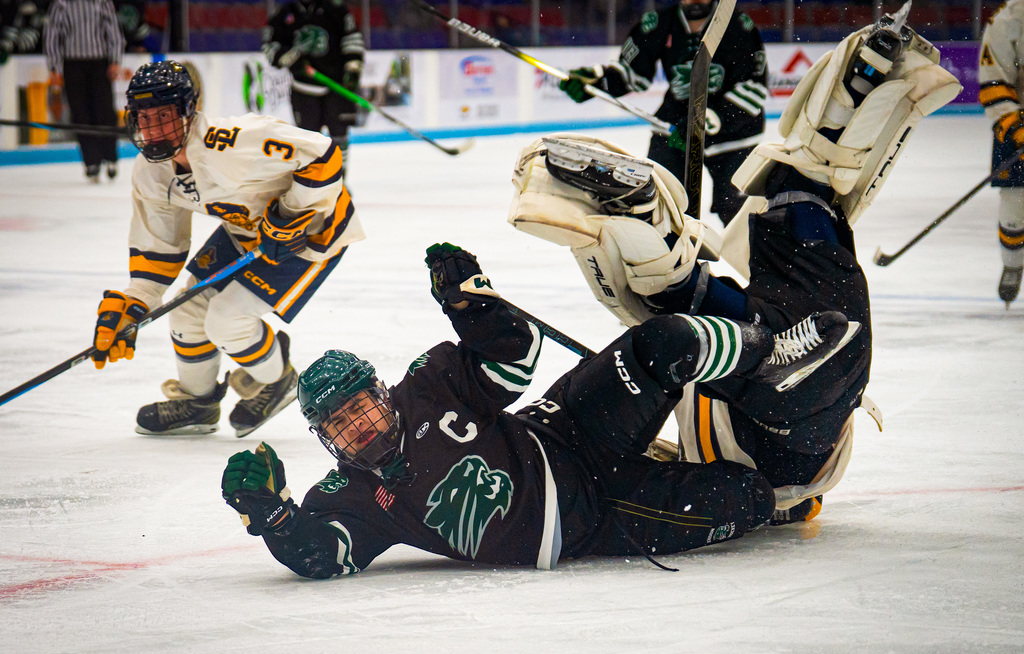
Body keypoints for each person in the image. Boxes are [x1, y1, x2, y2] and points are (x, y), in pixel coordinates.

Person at [516, 15, 959, 522]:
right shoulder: (746, 478)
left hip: (812, 362)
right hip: (786, 402)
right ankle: (649, 233)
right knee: (680, 304)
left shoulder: (782, 465)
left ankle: (860, 88)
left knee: (800, 197)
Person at [220, 240, 860, 578]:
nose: (357, 427)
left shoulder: (428, 383)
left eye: (359, 407)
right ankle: (767, 499)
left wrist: (471, 308)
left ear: (380, 393)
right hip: (593, 515)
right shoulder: (353, 497)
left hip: (565, 424)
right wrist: (271, 514)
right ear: (326, 438)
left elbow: (516, 360)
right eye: (338, 424)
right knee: (746, 496)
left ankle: (770, 355)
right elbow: (322, 555)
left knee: (662, 342)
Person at [91, 60, 364, 437]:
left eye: (164, 116)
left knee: (227, 320)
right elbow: (158, 251)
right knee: (186, 312)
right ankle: (198, 402)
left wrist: (289, 215)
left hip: (313, 235)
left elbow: (322, 155)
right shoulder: (150, 172)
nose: (153, 128)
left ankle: (277, 380)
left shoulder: (234, 141)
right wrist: (135, 304)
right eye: (144, 117)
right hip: (244, 230)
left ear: (188, 111)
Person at [558, 0, 767, 226]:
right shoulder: (658, 24)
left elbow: (754, 87)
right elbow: (632, 73)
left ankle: (754, 248)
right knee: (658, 206)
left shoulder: (738, 26)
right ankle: (669, 248)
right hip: (676, 128)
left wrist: (705, 120)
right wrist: (599, 80)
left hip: (733, 135)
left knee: (740, 215)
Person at [263, 0, 364, 179]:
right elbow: (270, 48)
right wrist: (293, 59)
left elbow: (352, 38)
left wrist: (353, 68)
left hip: (336, 87)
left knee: (339, 137)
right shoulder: (284, 14)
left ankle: (339, 180)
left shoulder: (335, 8)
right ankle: (310, 183)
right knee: (307, 141)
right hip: (303, 88)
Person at [44, 0, 124, 183]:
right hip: (72, 64)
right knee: (80, 113)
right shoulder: (61, 4)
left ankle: (110, 157)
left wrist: (115, 60)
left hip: (100, 62)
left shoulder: (102, 2)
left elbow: (113, 31)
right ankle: (91, 161)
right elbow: (52, 35)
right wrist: (54, 67)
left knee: (105, 111)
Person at [979, 0, 1024, 307]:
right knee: (1013, 208)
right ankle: (1013, 263)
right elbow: (994, 79)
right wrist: (1016, 127)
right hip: (1016, 125)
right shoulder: (1008, 19)